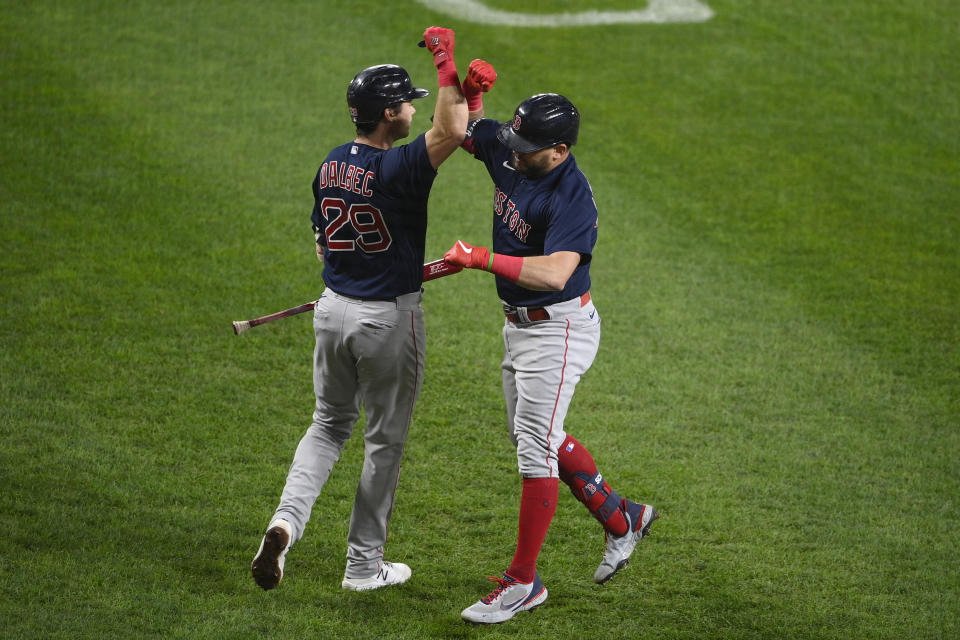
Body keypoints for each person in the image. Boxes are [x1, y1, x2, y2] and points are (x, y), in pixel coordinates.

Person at [251, 27, 467, 592]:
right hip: (387, 322)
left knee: (326, 426)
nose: (413, 110)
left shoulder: (329, 164)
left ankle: (284, 524)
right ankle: (363, 567)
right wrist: (448, 64)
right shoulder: (399, 169)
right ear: (387, 114)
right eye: (407, 103)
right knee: (383, 444)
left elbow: (322, 242)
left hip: (331, 312)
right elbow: (454, 129)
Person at [443, 65, 659, 624]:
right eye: (511, 140)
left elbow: (558, 272)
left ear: (559, 150)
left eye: (527, 147)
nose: (511, 153)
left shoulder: (573, 197)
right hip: (519, 325)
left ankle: (523, 583)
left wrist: (483, 258)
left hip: (558, 327)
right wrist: (463, 86)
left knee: (533, 448)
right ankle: (623, 519)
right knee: (539, 436)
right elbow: (459, 126)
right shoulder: (515, 149)